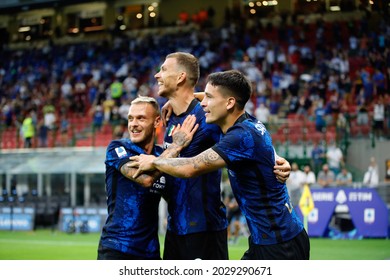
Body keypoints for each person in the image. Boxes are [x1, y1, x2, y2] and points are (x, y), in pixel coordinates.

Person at [130, 69, 309, 260]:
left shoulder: (240, 136)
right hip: (266, 239)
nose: (203, 103)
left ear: (230, 103)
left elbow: (190, 167)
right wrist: (175, 102)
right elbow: (223, 99)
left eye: (208, 97)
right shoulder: (245, 123)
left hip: (281, 244)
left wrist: (154, 161)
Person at [97, 96, 198, 260]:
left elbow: (175, 196)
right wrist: (176, 146)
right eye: (130, 118)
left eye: (141, 118)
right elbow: (145, 179)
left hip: (150, 253)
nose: (133, 124)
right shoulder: (119, 148)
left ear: (157, 122)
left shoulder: (161, 155)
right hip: (117, 249)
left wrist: (177, 101)